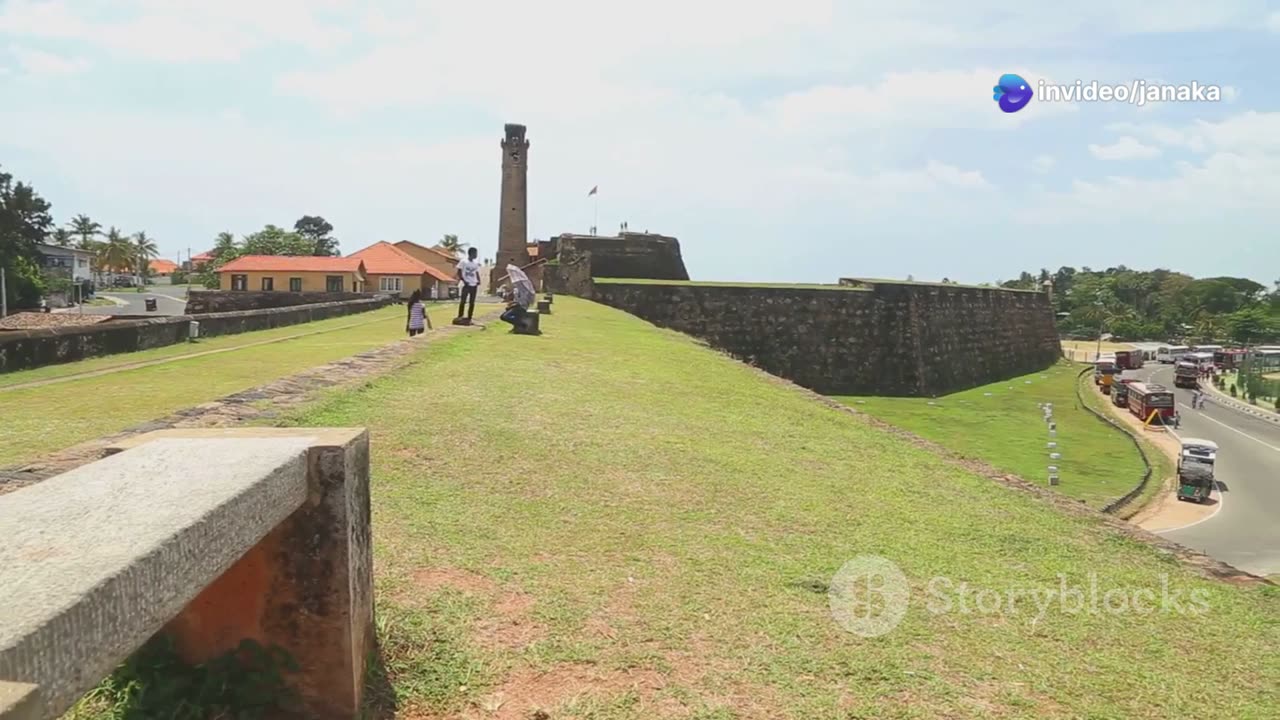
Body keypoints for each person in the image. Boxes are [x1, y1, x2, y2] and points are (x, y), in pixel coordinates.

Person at [456, 247, 482, 322]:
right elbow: (459, 271)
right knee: (463, 301)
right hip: (466, 284)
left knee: (472, 302)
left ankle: (469, 317)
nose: (476, 255)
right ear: (471, 253)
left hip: (474, 284)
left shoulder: (475, 263)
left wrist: (478, 280)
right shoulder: (463, 261)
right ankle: (460, 316)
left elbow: (476, 272)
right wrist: (463, 280)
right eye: (475, 253)